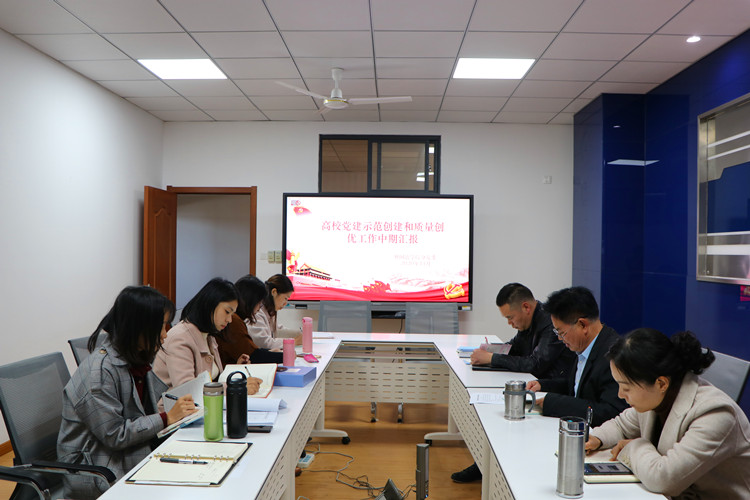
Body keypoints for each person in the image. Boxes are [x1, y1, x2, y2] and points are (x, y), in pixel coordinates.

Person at [57, 286, 198, 499]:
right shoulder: (100, 372)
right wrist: (166, 418)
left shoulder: (134, 358)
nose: (165, 335)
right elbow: (115, 435)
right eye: (160, 326)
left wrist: (173, 417)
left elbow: (139, 414)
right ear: (137, 327)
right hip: (95, 469)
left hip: (124, 453)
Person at [587, 329, 750, 499]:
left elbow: (663, 479)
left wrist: (634, 446)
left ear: (661, 383)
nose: (620, 394)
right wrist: (596, 439)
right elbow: (621, 425)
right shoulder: (656, 397)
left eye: (626, 387)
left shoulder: (715, 413)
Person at [452, 283, 577, 483]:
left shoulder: (549, 323)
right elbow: (515, 347)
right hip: (536, 385)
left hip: (552, 389)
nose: (510, 323)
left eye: (510, 317)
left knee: (504, 415)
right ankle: (484, 463)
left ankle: (487, 466)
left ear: (526, 307)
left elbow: (536, 364)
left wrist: (492, 358)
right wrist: (490, 351)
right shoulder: (529, 321)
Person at [526, 286, 627, 426]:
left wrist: (555, 403)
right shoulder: (584, 345)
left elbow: (609, 413)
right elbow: (577, 387)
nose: (560, 339)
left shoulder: (613, 356)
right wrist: (543, 385)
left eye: (562, 333)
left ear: (582, 325)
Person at [153, 277, 261, 393]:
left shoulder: (208, 335)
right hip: (175, 404)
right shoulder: (180, 338)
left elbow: (210, 378)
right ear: (210, 305)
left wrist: (235, 367)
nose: (229, 320)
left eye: (232, 314)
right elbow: (188, 389)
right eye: (227, 312)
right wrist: (235, 387)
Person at [215, 274, 284, 366]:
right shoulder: (234, 321)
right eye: (259, 303)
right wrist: (286, 356)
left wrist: (270, 352)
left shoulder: (237, 320)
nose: (259, 307)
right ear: (251, 301)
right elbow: (254, 356)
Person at [247, 274, 302, 350]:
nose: (285, 303)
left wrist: (298, 334)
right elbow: (265, 343)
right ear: (274, 292)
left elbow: (277, 329)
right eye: (285, 298)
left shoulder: (269, 310)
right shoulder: (258, 312)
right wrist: (294, 342)